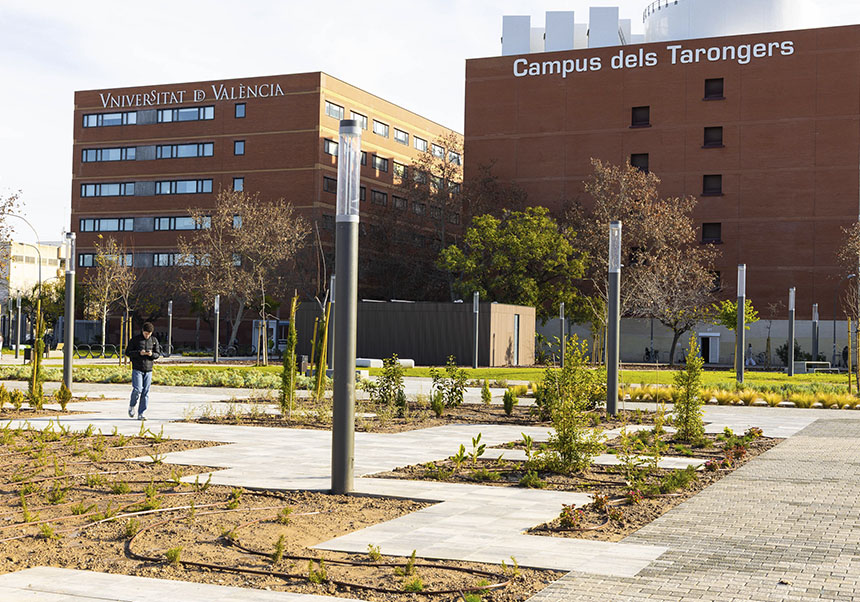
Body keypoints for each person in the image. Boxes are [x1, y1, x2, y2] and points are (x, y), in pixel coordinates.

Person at [125, 322, 161, 420]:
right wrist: (139, 353)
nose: (147, 335)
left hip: (148, 370)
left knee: (146, 392)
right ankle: (132, 406)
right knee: (137, 389)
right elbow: (128, 352)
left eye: (149, 334)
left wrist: (151, 354)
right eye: (146, 333)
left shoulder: (154, 340)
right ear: (142, 331)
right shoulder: (135, 340)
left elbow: (157, 354)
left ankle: (141, 413)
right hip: (137, 368)